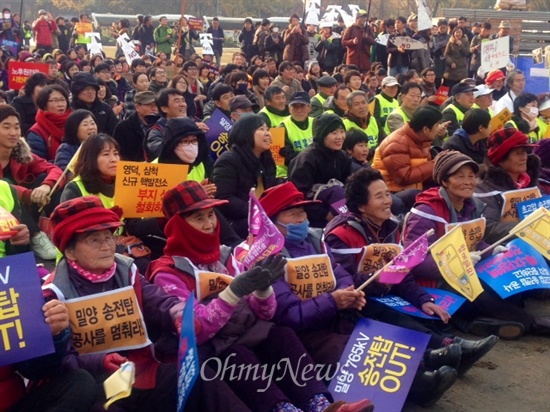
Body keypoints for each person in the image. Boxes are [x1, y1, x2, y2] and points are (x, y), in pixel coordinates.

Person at [146, 181, 374, 412]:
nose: (208, 224)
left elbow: (265, 312)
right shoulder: (167, 272)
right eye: (198, 218)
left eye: (211, 215)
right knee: (237, 354)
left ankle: (322, 405)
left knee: (281, 336)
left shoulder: (226, 256)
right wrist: (233, 293)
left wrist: (263, 290)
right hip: (214, 349)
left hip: (247, 333)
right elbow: (195, 329)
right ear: (177, 226)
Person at [323, 168, 497, 376]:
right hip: (356, 302)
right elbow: (344, 281)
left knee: (427, 308)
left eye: (387, 193)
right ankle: (446, 350)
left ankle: (451, 349)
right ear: (361, 205)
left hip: (384, 292)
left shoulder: (390, 227)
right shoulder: (341, 234)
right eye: (379, 196)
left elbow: (402, 273)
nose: (388, 201)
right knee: (388, 314)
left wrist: (423, 299)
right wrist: (375, 278)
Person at [404, 150, 550, 338]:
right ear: (444, 181)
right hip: (436, 281)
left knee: (510, 288)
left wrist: (492, 252)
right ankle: (532, 324)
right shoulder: (426, 211)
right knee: (483, 295)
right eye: (460, 176)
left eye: (472, 176)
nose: (468, 181)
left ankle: (475, 323)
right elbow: (413, 261)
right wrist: (455, 264)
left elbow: (476, 241)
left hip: (467, 273)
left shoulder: (471, 206)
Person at [0, 105, 62, 259]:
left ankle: (60, 230)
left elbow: (55, 170)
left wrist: (46, 186)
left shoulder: (22, 152)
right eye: (6, 127)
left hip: (30, 209)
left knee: (46, 180)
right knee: (8, 185)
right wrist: (28, 194)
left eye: (16, 127)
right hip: (5, 215)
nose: (13, 133)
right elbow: (5, 188)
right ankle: (36, 236)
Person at [212, 114, 278, 238]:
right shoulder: (228, 160)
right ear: (246, 133)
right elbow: (224, 199)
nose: (268, 134)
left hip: (265, 215)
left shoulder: (267, 158)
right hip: (238, 223)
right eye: (261, 129)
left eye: (268, 129)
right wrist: (257, 211)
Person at [474, 128, 540, 244]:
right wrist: (527, 228)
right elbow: (487, 228)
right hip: (507, 253)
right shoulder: (483, 189)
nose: (524, 157)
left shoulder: (532, 182)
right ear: (500, 160)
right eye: (517, 153)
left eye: (524, 151)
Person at [288, 113, 350, 227]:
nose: (340, 137)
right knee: (336, 191)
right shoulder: (307, 159)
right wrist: (325, 215)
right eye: (334, 133)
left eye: (342, 131)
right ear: (321, 135)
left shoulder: (342, 156)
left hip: (337, 206)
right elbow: (298, 195)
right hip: (314, 212)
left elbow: (349, 184)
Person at [372, 106, 447, 197]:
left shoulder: (423, 140)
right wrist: (435, 164)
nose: (439, 128)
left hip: (414, 188)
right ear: (425, 129)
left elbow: (424, 172)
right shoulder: (397, 143)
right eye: (437, 125)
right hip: (392, 192)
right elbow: (403, 178)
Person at [26, 85, 72, 161]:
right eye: (55, 100)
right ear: (44, 105)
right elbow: (39, 163)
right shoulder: (36, 132)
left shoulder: (74, 123)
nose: (60, 104)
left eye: (62, 100)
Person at [113, 91, 158, 162]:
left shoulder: (162, 125)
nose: (154, 108)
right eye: (150, 105)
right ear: (137, 107)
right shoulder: (123, 128)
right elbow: (119, 154)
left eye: (156, 105)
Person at [278, 91, 314, 178]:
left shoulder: (316, 123)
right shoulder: (279, 129)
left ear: (309, 108)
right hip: (286, 175)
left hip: (312, 170)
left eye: (302, 106)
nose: (299, 110)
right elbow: (285, 157)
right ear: (289, 108)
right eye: (295, 106)